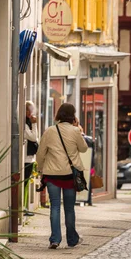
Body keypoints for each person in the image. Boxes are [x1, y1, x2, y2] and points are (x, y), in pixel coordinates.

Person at [36, 103, 88, 249]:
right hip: (69, 175)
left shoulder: (50, 131)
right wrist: (78, 129)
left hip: (52, 174)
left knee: (55, 207)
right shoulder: (75, 131)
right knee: (69, 208)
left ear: (59, 114)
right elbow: (84, 148)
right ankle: (71, 239)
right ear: (73, 116)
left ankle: (55, 239)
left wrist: (41, 169)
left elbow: (41, 153)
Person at [24, 101, 39, 217]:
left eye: (31, 110)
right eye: (28, 110)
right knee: (24, 184)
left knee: (26, 183)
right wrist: (34, 124)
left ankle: (24, 207)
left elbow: (36, 138)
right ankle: (23, 207)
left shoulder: (29, 122)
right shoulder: (24, 124)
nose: (30, 112)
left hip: (30, 158)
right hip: (25, 159)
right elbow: (33, 138)